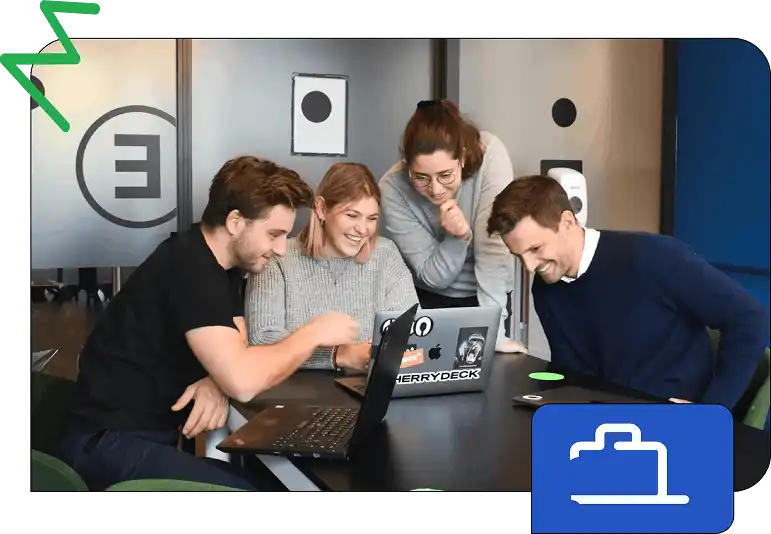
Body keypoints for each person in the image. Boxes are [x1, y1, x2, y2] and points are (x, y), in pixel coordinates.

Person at [55, 156, 361, 491]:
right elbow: (244, 381)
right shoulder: (192, 269)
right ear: (235, 221)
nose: (280, 249)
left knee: (271, 484)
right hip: (105, 446)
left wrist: (217, 378)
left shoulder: (219, 265)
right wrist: (313, 333)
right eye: (273, 234)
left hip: (133, 440)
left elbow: (238, 347)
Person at [486, 174, 768, 409]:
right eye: (518, 255)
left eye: (535, 249)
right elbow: (574, 373)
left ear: (568, 223)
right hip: (607, 425)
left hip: (672, 424)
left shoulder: (655, 257)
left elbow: (748, 320)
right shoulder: (547, 288)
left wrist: (712, 412)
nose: (529, 265)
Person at [379, 99, 524, 353]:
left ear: (464, 157)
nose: (435, 189)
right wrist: (457, 237)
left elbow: (493, 252)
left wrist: (495, 335)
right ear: (406, 164)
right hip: (428, 301)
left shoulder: (490, 154)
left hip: (489, 299)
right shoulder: (392, 188)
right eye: (421, 177)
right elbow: (433, 276)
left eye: (446, 175)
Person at [246, 162, 419, 372]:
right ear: (321, 209)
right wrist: (338, 354)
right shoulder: (278, 258)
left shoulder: (385, 254)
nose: (363, 229)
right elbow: (262, 340)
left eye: (371, 218)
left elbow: (414, 331)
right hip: (291, 391)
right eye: (352, 215)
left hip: (366, 388)